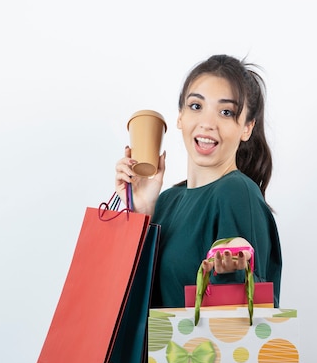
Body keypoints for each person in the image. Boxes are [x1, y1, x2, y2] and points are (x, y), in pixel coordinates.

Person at [115, 54, 281, 308]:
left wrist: (229, 271)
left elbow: (248, 311)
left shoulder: (236, 192)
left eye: (226, 112)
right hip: (160, 349)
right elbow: (134, 306)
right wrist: (142, 211)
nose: (207, 123)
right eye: (196, 106)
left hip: (197, 350)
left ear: (246, 128)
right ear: (180, 116)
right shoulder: (168, 200)